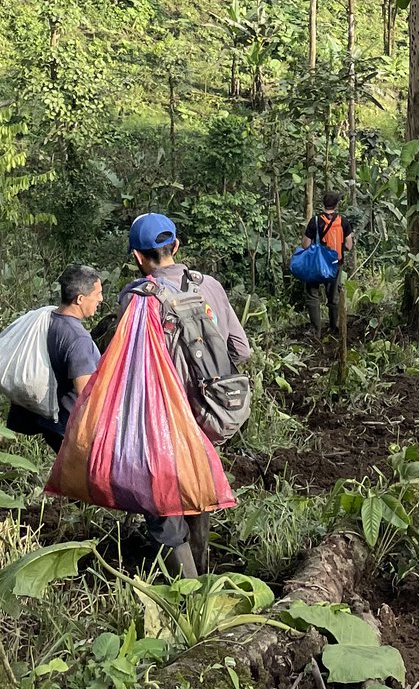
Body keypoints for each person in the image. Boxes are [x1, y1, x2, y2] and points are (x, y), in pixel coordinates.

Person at [121, 212, 251, 577]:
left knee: (162, 494)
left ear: (137, 257)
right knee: (198, 485)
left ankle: (186, 586)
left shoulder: (136, 299)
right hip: (211, 410)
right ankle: (204, 575)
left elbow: (128, 368)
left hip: (164, 415)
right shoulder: (209, 286)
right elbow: (241, 350)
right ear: (175, 246)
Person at [5, 265, 104, 451]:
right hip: (68, 428)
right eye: (97, 293)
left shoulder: (46, 319)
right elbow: (87, 394)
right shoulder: (78, 339)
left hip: (48, 423)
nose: (101, 299)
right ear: (80, 299)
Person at [303, 190, 355, 335]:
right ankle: (334, 327)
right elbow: (349, 246)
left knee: (312, 293)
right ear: (337, 204)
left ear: (323, 204)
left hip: (317, 264)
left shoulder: (315, 221)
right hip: (335, 264)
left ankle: (316, 329)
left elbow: (306, 245)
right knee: (333, 296)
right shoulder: (343, 221)